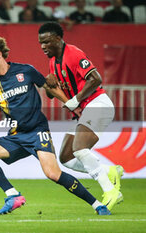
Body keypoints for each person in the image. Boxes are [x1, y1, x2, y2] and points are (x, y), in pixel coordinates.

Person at [0, 35, 111, 216]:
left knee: (53, 174)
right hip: (16, 136)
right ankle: (12, 195)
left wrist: (74, 106)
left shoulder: (26, 71)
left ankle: (97, 205)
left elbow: (50, 87)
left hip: (38, 132)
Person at [38, 22, 123, 212]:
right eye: (40, 43)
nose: (43, 47)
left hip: (98, 104)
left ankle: (111, 192)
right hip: (85, 109)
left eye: (46, 42)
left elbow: (96, 79)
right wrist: (48, 85)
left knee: (79, 148)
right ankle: (108, 172)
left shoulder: (74, 53)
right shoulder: (53, 61)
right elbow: (54, 92)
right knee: (66, 157)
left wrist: (75, 100)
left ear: (58, 39)